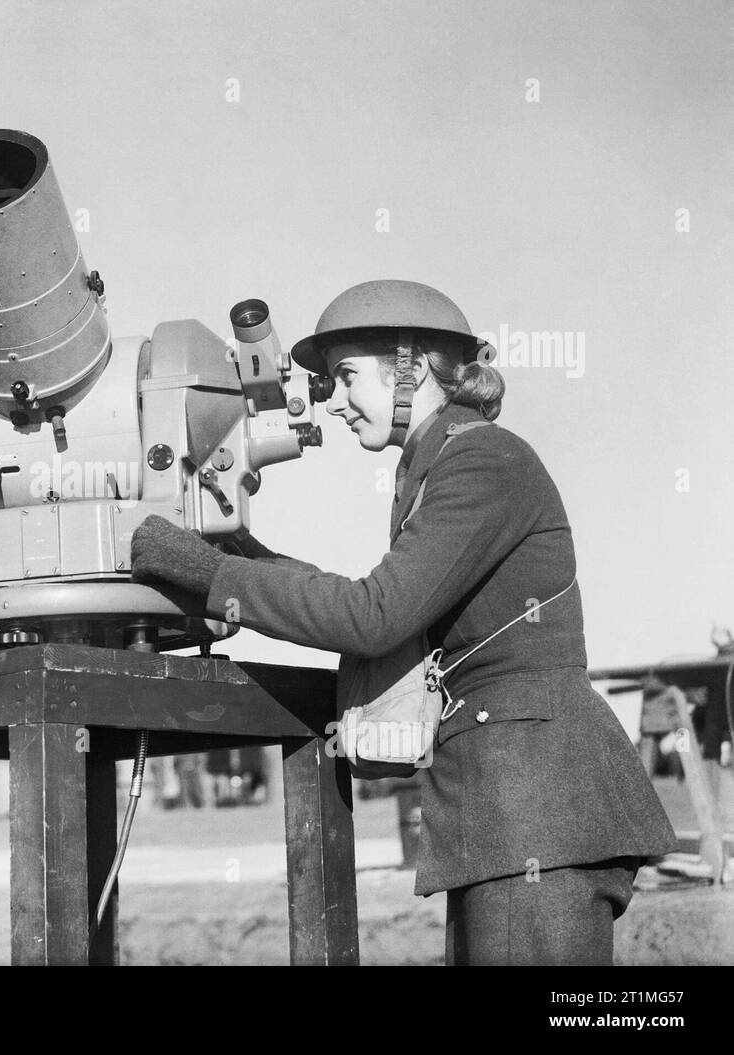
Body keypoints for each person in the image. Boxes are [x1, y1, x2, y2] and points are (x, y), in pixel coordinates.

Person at [130, 279, 677, 965]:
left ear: (411, 364)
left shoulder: (482, 459)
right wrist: (247, 556)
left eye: (345, 376)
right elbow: (382, 604)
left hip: (536, 812)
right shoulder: (438, 466)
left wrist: (210, 576)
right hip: (506, 816)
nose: (331, 400)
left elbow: (373, 616)